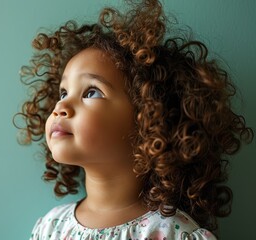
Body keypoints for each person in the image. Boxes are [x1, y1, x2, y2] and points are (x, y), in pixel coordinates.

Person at [14, 0, 253, 239]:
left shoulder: (172, 234)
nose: (60, 106)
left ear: (148, 119)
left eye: (91, 92)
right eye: (63, 92)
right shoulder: (50, 227)